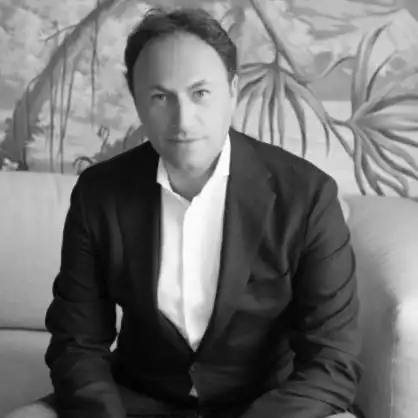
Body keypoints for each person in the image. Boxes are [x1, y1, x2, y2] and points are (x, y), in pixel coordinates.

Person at [6, 6, 362, 418]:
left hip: (265, 405)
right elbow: (77, 342)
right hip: (137, 399)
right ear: (138, 100)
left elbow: (332, 361)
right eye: (160, 97)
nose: (183, 120)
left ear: (233, 90)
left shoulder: (306, 196)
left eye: (200, 93)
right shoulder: (99, 193)